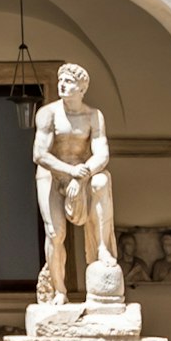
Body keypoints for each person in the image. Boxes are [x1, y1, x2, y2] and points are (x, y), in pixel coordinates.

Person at [31, 63, 117, 304]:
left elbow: (102, 154)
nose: (62, 85)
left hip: (82, 174)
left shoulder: (93, 116)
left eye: (68, 81)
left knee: (102, 180)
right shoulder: (48, 113)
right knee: (54, 233)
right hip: (52, 175)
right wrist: (70, 171)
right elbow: (39, 154)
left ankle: (102, 247)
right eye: (60, 80)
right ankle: (60, 291)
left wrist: (81, 176)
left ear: (82, 88)